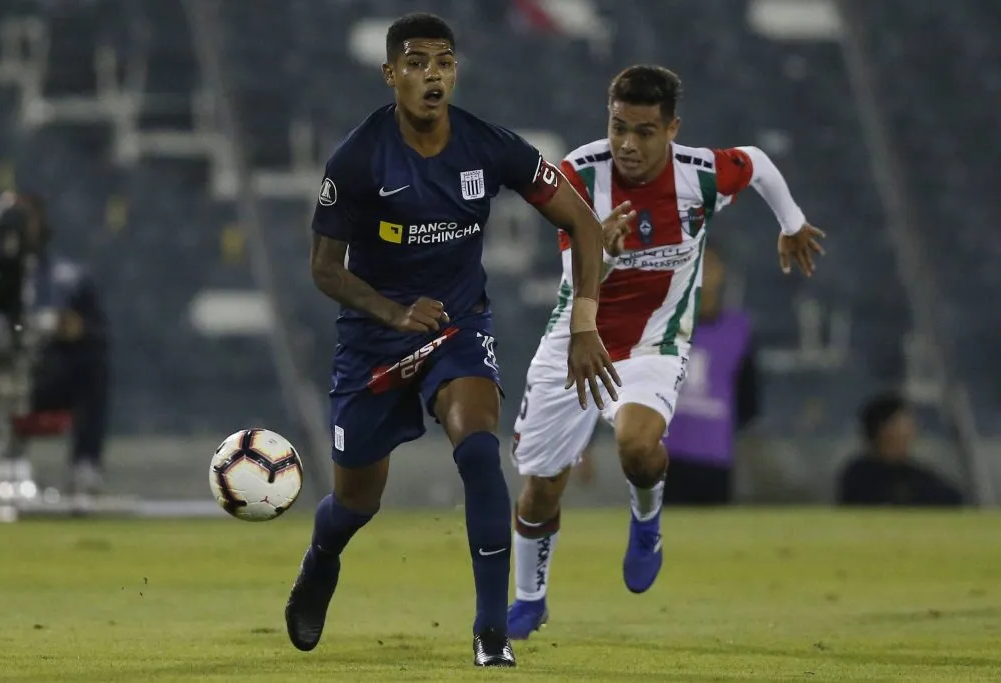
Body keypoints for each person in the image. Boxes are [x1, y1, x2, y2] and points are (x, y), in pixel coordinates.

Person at [285, 14, 626, 668]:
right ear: (391, 75)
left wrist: (586, 320)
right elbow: (325, 268)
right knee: (357, 501)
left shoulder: (488, 145)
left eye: (444, 61)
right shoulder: (358, 158)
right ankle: (321, 559)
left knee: (478, 450)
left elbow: (582, 223)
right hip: (373, 341)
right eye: (416, 62)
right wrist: (392, 311)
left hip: (456, 328)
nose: (432, 74)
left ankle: (490, 631)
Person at [507, 65, 825, 639]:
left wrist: (793, 222)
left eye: (645, 131)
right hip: (576, 339)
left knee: (636, 444)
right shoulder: (576, 175)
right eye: (618, 127)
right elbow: (575, 284)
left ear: (673, 129)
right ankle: (530, 599)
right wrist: (598, 250)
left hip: (655, 340)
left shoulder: (702, 176)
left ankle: (646, 519)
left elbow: (756, 163)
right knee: (539, 488)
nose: (628, 144)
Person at [19, 193, 111, 495]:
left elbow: (97, 331)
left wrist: (75, 328)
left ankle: (84, 467)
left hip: (40, 380)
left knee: (92, 363)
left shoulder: (68, 279)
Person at [663, 243, 760, 505]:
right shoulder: (663, 324)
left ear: (722, 273)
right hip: (666, 455)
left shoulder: (738, 329)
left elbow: (749, 396)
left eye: (710, 265)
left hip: (715, 456)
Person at [837, 392, 964, 506]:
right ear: (884, 428)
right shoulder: (858, 475)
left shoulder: (918, 476)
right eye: (904, 423)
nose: (912, 430)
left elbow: (953, 499)